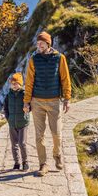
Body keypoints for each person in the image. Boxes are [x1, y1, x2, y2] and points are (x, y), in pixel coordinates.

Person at [23, 31, 71, 176]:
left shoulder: (59, 58)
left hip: (54, 101)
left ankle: (57, 154)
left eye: (41, 43)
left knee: (56, 134)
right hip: (37, 102)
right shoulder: (33, 59)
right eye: (37, 43)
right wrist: (26, 102)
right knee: (39, 136)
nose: (39, 46)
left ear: (48, 44)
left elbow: (65, 79)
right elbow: (29, 82)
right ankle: (43, 164)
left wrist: (67, 99)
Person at [4, 72, 30, 171]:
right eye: (12, 83)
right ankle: (17, 163)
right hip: (12, 124)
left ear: (20, 84)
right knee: (14, 144)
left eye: (16, 83)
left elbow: (29, 106)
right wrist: (8, 119)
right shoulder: (8, 95)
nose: (14, 85)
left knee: (22, 143)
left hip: (23, 123)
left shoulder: (24, 94)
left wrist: (28, 110)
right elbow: (5, 108)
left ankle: (25, 162)